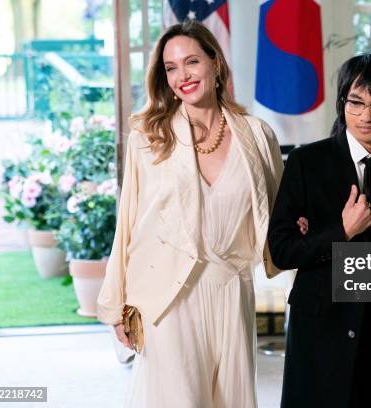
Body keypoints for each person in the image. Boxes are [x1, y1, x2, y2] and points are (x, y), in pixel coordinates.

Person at [96, 21, 284, 408]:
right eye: (171, 67)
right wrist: (116, 305)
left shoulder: (257, 135)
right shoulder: (149, 138)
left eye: (192, 61)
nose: (182, 75)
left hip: (232, 291)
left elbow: (281, 217)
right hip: (169, 296)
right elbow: (126, 223)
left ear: (216, 63)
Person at [268, 52, 371, 407]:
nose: (366, 116)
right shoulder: (306, 162)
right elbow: (282, 250)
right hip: (322, 326)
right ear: (342, 102)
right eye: (355, 103)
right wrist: (339, 232)